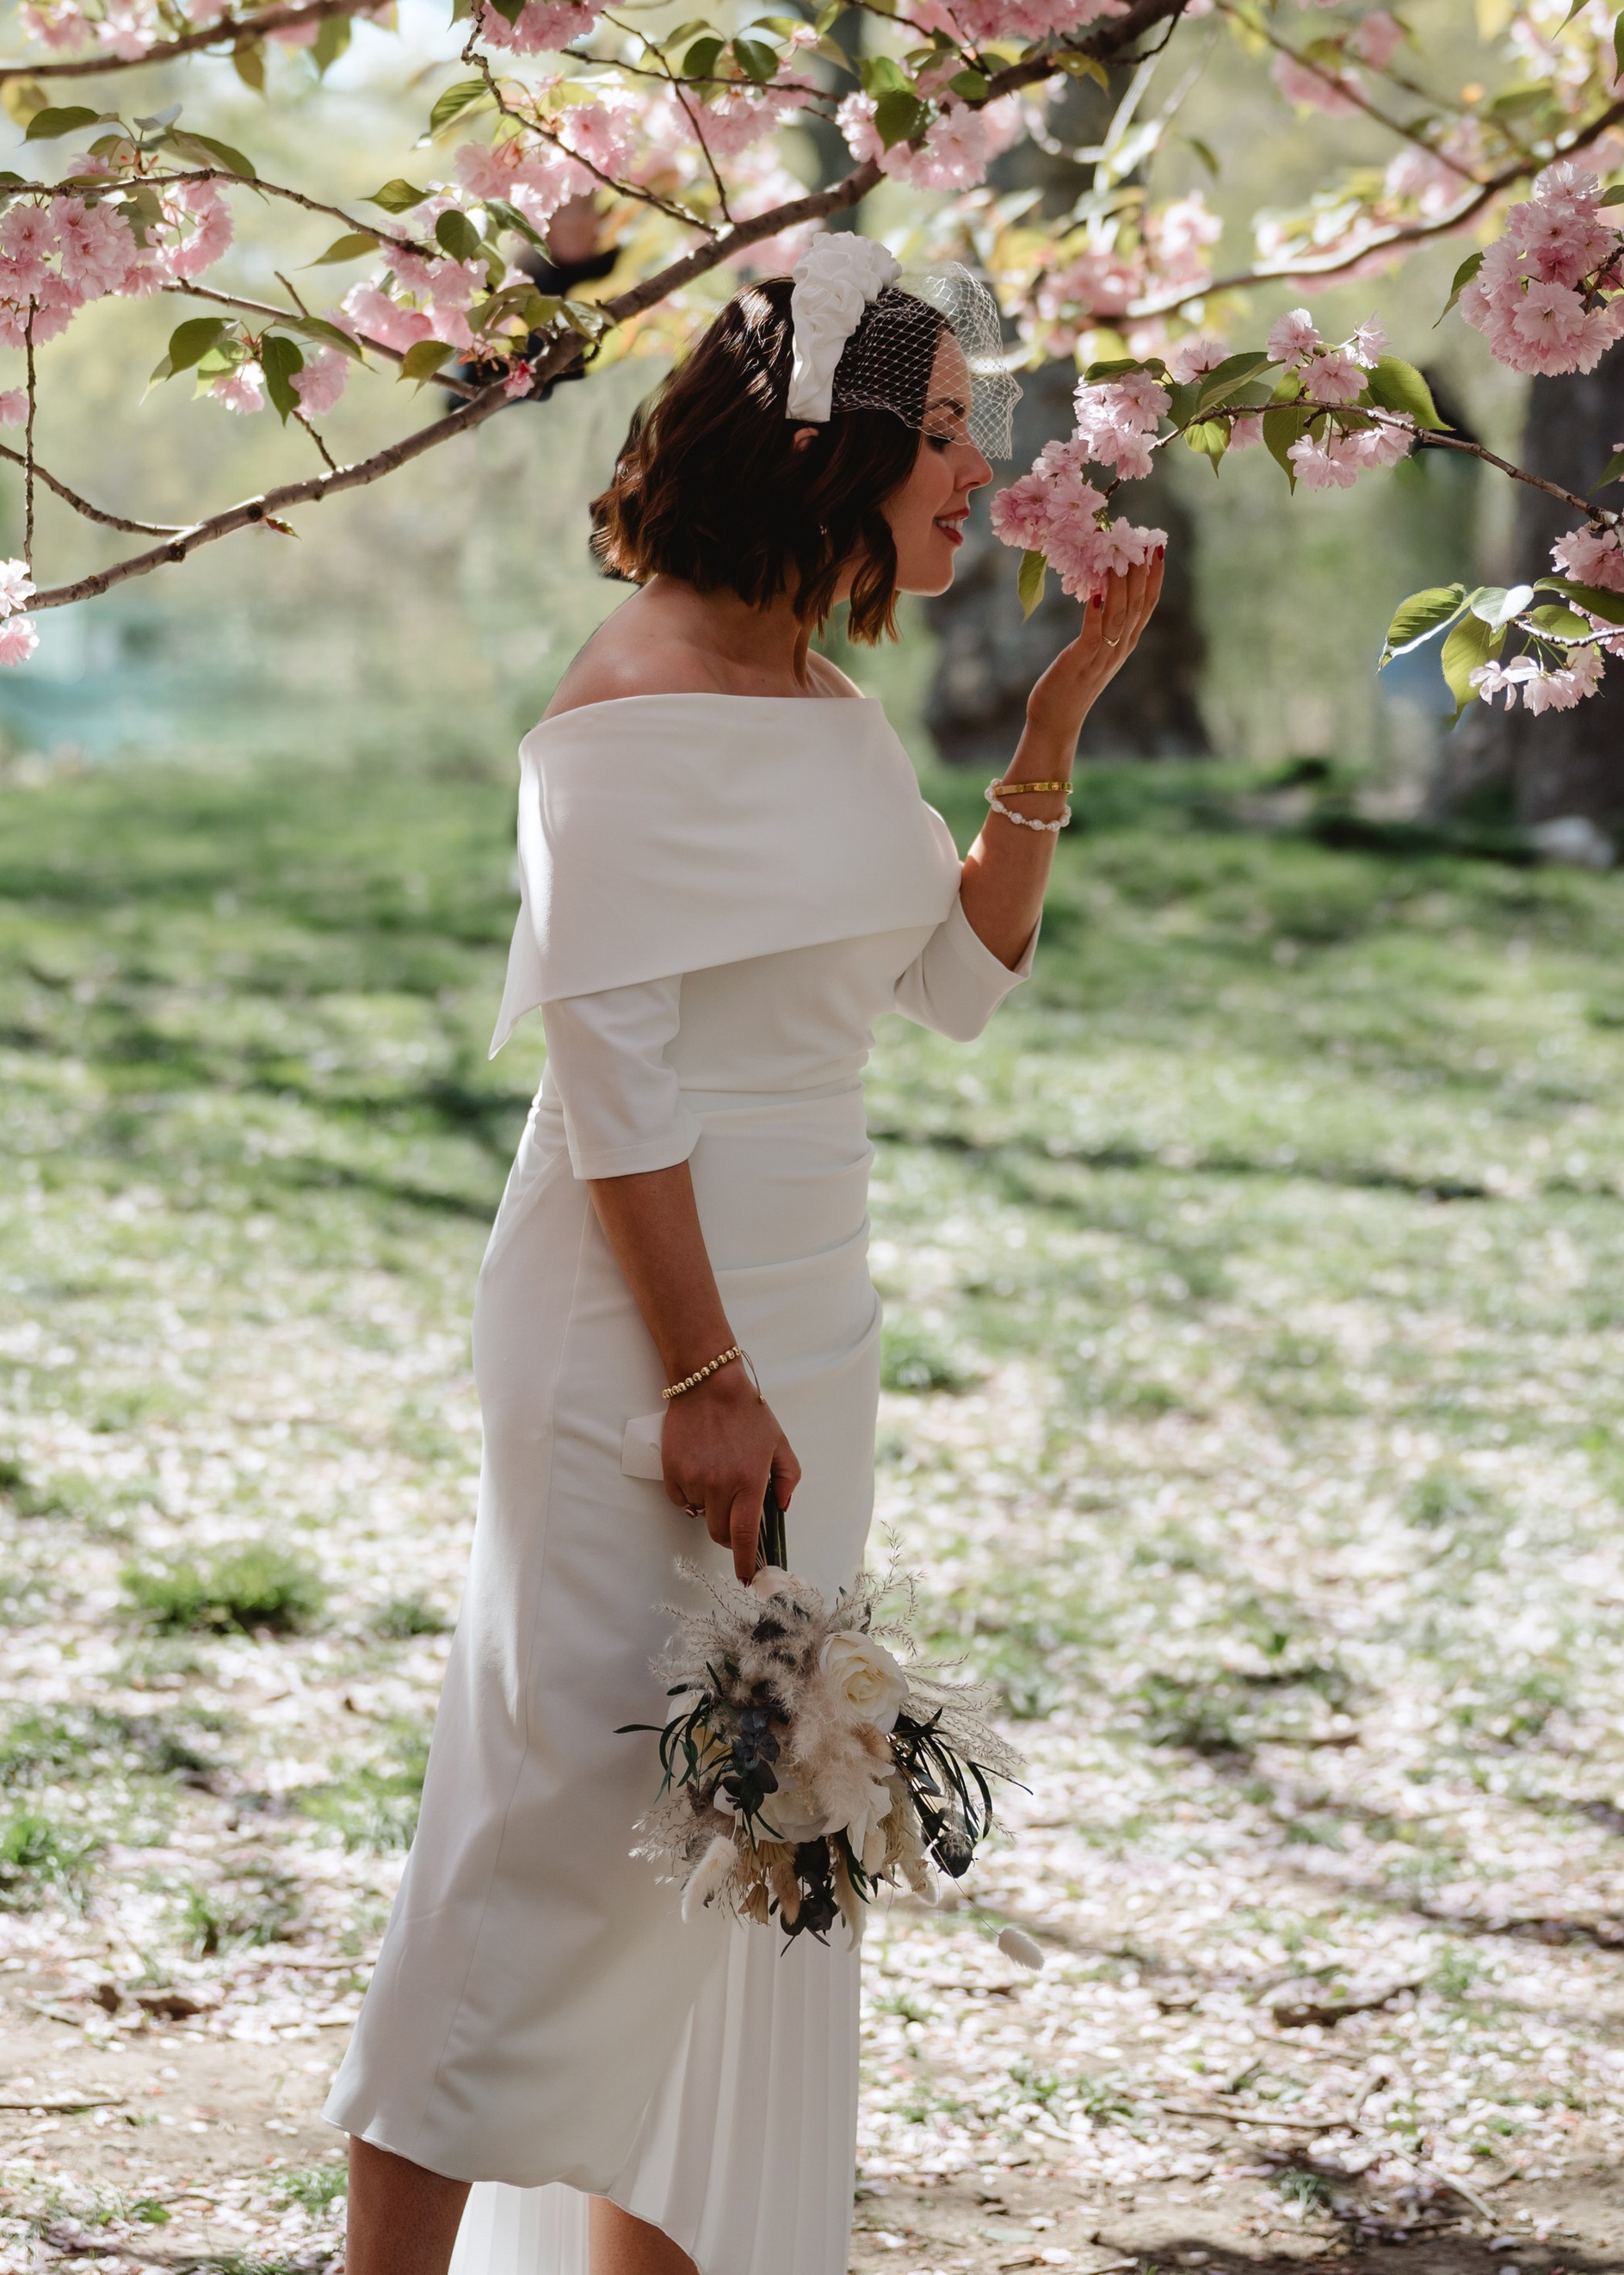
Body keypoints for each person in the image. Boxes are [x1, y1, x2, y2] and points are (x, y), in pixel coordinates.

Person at [327, 239, 1164, 2275]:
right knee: (552, 1835)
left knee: (758, 1819)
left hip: (811, 1312)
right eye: (946, 433)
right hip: (644, 1327)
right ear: (829, 447)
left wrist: (1054, 716)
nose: (981, 470)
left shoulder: (822, 701)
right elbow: (615, 1087)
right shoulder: (618, 709)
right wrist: (702, 1382)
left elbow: (949, 982)